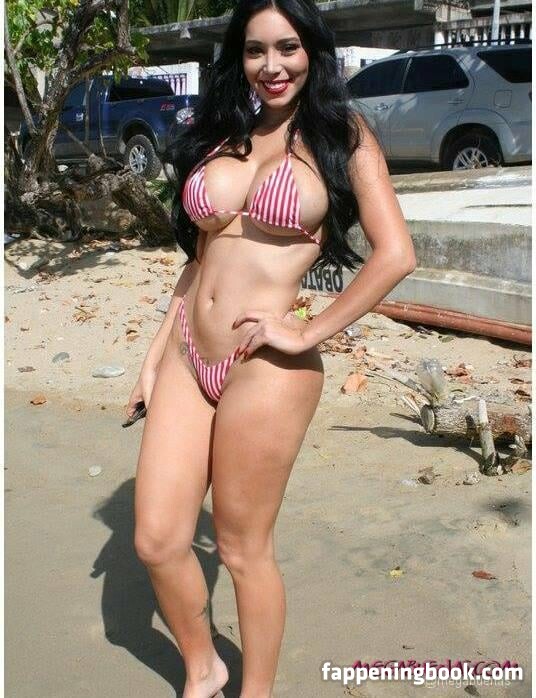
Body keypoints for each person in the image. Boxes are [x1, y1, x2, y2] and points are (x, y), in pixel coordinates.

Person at [126, 1, 416, 696]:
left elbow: (396, 254)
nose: (272, 65)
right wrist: (154, 357)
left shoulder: (342, 135)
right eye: (256, 50)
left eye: (288, 47)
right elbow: (201, 258)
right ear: (240, 57)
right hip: (188, 353)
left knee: (239, 549)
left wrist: (308, 330)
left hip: (268, 365)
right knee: (157, 540)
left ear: (312, 51)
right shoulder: (226, 131)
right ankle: (203, 668)